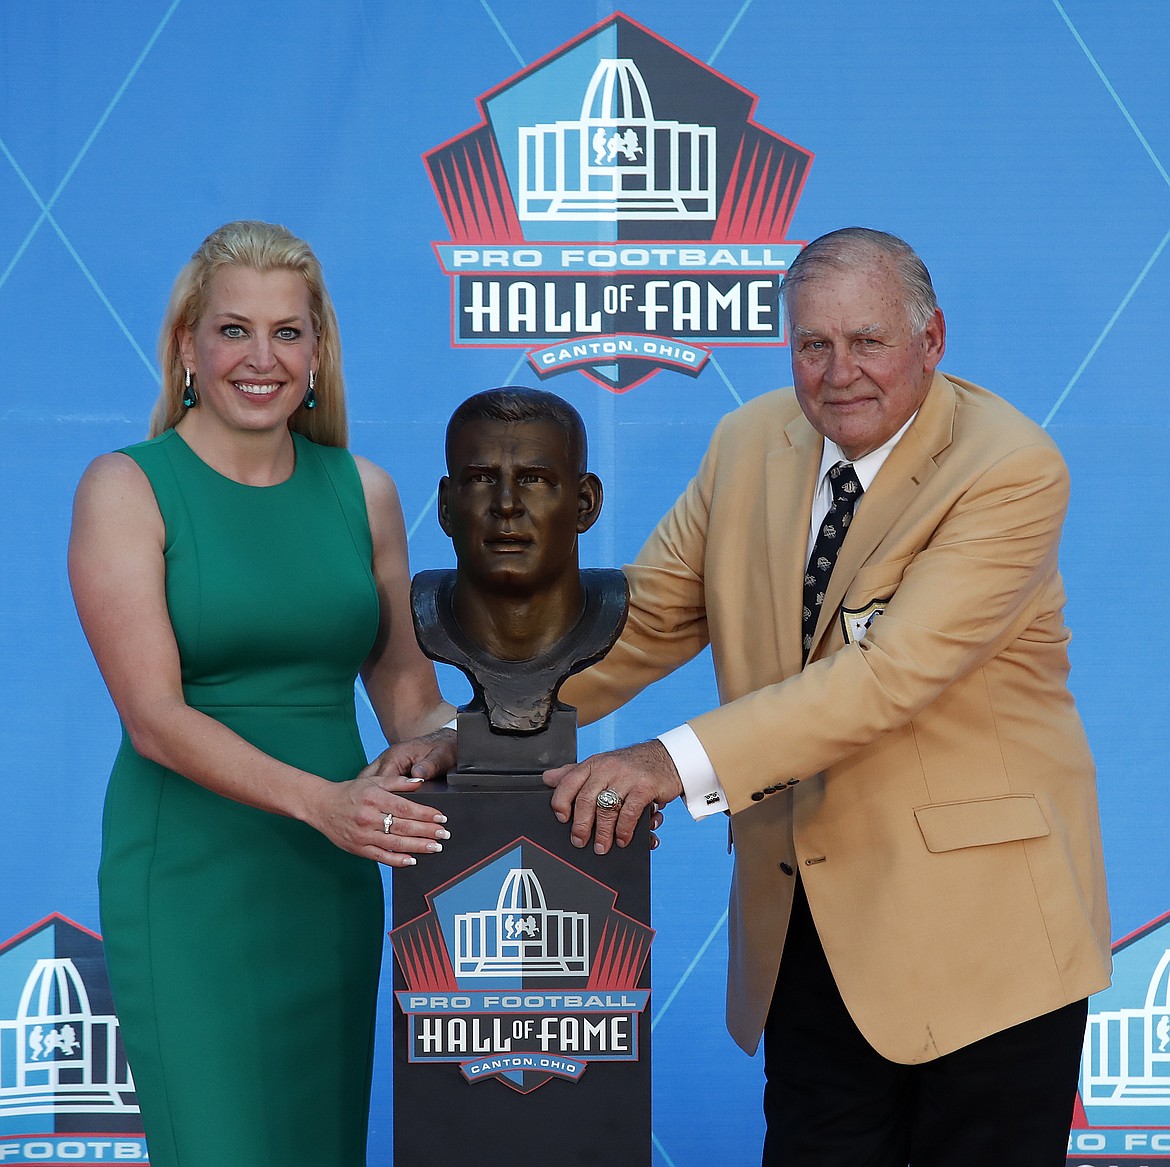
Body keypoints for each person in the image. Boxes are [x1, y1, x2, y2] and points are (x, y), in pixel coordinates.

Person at [545, 228, 1112, 1164]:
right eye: (814, 344)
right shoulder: (746, 442)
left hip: (989, 947)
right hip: (807, 929)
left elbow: (881, 679)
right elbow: (642, 620)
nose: (839, 371)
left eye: (868, 341)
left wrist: (665, 761)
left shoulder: (1009, 468)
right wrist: (489, 723)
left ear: (931, 342)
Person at [68, 220, 455, 1167]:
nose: (261, 357)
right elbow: (154, 718)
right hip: (193, 873)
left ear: (317, 353)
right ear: (188, 348)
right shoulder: (126, 487)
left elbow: (407, 683)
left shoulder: (362, 491)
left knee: (319, 1145)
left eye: (288, 332)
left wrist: (443, 741)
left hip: (330, 873)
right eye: (233, 329)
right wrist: (325, 801)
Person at [411, 387, 627, 738]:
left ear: (584, 503)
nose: (506, 504)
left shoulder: (611, 609)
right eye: (481, 479)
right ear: (447, 507)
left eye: (534, 480)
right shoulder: (427, 612)